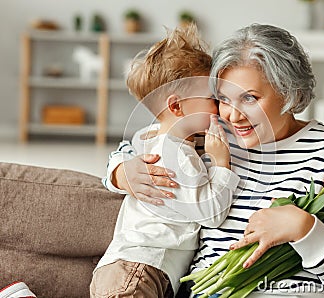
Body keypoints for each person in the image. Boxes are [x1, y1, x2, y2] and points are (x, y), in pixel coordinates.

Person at [106, 24, 324, 297]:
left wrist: (304, 229)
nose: (233, 115)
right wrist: (121, 171)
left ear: (289, 92)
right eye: (223, 99)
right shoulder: (214, 136)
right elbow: (148, 140)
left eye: (250, 98)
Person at [90, 25, 240, 298]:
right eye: (211, 99)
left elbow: (126, 149)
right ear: (175, 107)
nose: (219, 107)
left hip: (134, 266)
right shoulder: (177, 156)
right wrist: (221, 164)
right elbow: (212, 215)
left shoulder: (149, 138)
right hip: (141, 268)